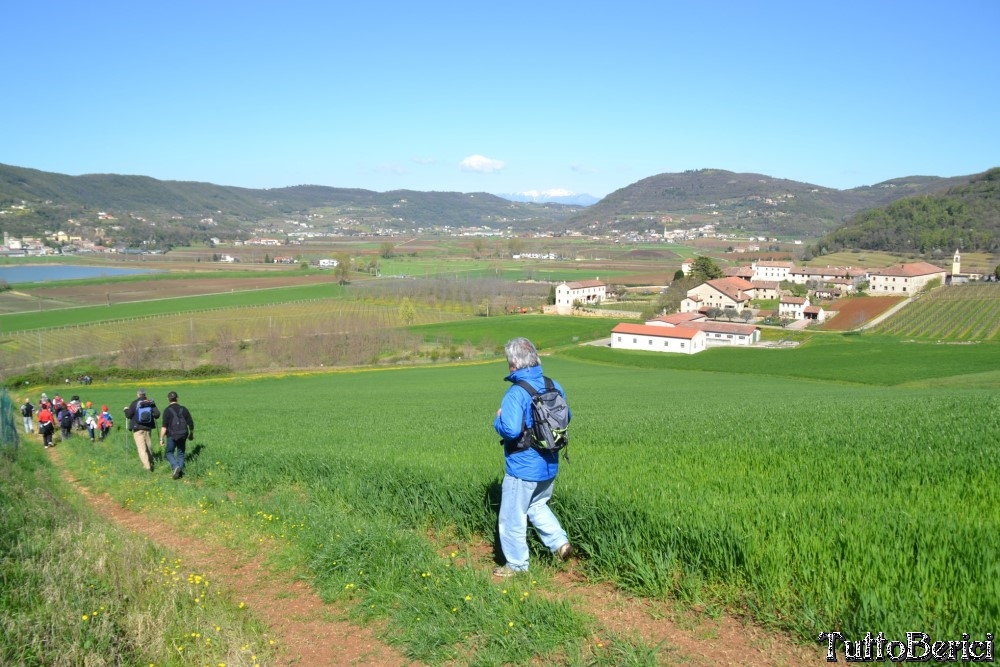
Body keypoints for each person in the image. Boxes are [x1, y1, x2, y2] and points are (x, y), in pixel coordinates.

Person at [491, 337, 573, 577]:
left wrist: (498, 419)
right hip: (550, 463)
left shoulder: (516, 392)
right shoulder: (553, 384)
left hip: (523, 467)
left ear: (515, 363)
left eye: (508, 362)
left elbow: (511, 430)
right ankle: (560, 543)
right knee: (537, 505)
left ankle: (516, 566)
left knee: (512, 517)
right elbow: (567, 417)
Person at [159, 391, 194, 479]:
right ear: (177, 398)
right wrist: (191, 434)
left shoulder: (167, 410)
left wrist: (161, 438)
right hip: (183, 434)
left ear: (168, 399)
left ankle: (176, 467)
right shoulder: (184, 409)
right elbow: (191, 423)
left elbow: (164, 427)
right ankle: (180, 472)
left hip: (172, 435)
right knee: (181, 453)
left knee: (169, 452)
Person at [124, 388, 160, 472]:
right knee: (148, 446)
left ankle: (147, 467)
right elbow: (157, 414)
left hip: (137, 428)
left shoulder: (134, 403)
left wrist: (125, 410)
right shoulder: (150, 402)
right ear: (145, 394)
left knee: (141, 448)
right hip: (148, 428)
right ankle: (151, 462)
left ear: (138, 394)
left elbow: (129, 415)